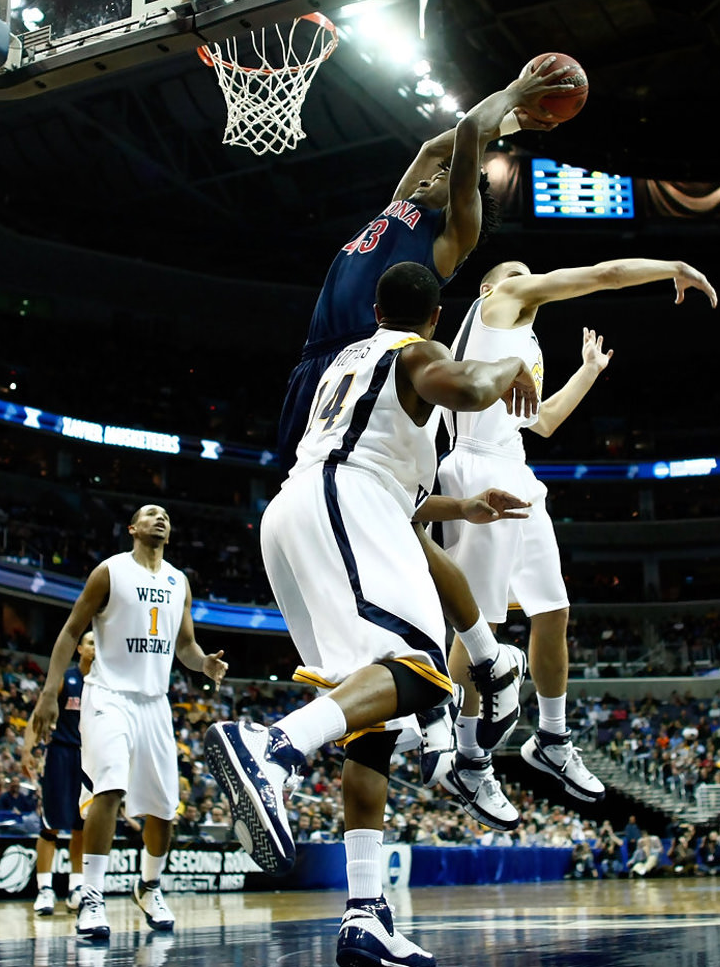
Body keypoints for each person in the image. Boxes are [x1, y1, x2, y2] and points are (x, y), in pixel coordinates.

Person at [205, 262, 538, 967]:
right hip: (342, 503)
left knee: (375, 726)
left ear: (377, 306)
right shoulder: (417, 353)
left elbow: (390, 480)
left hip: (311, 505)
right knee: (419, 673)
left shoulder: (350, 360)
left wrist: (463, 507)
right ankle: (275, 748)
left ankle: (366, 916)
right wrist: (510, 362)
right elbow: (475, 387)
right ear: (437, 320)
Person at [433, 256, 718, 822]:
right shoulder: (499, 305)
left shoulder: (518, 342)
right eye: (517, 272)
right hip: (478, 471)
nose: (528, 276)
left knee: (554, 610)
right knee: (480, 622)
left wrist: (587, 370)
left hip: (515, 468)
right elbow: (604, 274)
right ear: (493, 287)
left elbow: (543, 422)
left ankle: (553, 740)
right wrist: (673, 267)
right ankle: (466, 754)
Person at [277, 57, 573, 477]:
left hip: (368, 358)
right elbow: (432, 149)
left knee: (347, 485)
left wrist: (513, 94)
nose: (427, 178)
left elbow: (469, 133)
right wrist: (513, 123)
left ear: (457, 194)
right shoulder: (402, 205)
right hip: (316, 358)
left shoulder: (451, 236)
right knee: (295, 486)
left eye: (442, 178)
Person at [29, 503, 228, 941]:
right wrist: (49, 690)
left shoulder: (179, 582)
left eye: (166, 517)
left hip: (155, 703)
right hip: (108, 695)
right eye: (150, 514)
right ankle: (93, 896)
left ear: (169, 534)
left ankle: (149, 886)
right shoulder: (110, 572)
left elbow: (187, 647)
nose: (160, 519)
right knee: (111, 787)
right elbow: (68, 631)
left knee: (163, 812)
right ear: (133, 528)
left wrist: (204, 665)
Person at [21, 630, 95, 916]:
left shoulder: (103, 684)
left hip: (89, 757)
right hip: (61, 753)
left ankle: (77, 887)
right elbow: (39, 713)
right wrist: (27, 750)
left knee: (81, 827)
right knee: (51, 824)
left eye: (98, 643)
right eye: (90, 643)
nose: (95, 647)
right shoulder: (68, 678)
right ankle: (45, 889)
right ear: (79, 648)